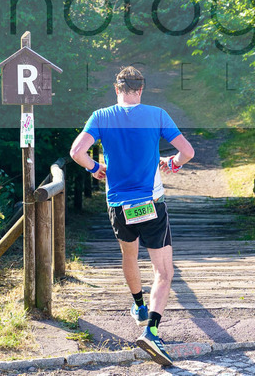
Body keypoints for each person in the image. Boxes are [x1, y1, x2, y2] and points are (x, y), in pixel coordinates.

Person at [69, 66, 195, 367]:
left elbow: (77, 151)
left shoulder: (101, 117)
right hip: (150, 203)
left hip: (118, 205)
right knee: (164, 272)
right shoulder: (157, 115)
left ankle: (138, 305)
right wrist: (172, 164)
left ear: (117, 89)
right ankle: (151, 330)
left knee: (129, 254)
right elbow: (187, 152)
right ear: (141, 89)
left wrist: (94, 169)